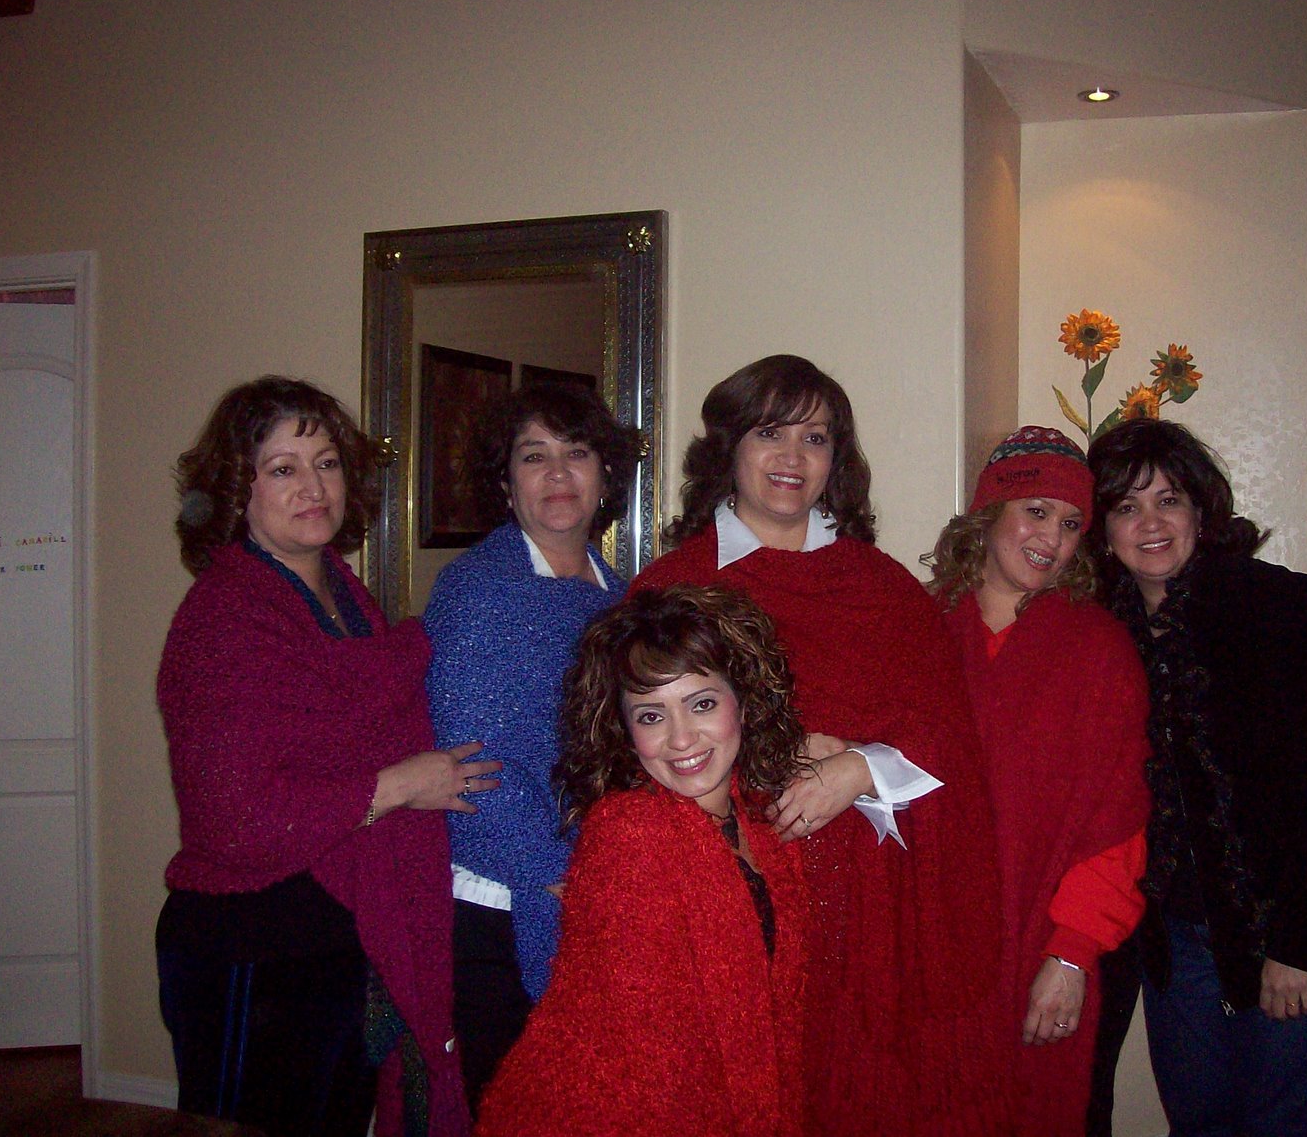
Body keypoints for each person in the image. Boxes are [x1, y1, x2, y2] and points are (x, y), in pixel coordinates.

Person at [632, 354, 1010, 1135]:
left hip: (874, 918)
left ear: (838, 459)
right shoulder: (673, 588)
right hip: (737, 901)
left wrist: (859, 768)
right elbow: (637, 750)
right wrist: (769, 752)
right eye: (770, 432)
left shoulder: (885, 589)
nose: (792, 457)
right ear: (730, 447)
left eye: (815, 438)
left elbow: (949, 739)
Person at [155, 376, 488, 1137]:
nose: (313, 487)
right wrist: (399, 784)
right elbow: (234, 820)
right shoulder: (225, 621)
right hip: (252, 946)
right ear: (237, 488)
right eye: (284, 468)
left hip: (338, 936)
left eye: (327, 463)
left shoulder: (343, 597)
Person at [1085, 417, 1307, 1137]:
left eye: (1168, 499)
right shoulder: (1105, 632)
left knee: (1282, 1124)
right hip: (1178, 946)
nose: (1150, 523)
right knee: (1198, 1124)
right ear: (1103, 530)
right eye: (1127, 506)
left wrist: (1297, 945)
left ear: (1201, 510)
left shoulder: (1278, 605)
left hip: (1293, 933)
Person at [476, 584, 811, 1136]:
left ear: (744, 701)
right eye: (652, 716)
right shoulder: (630, 835)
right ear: (625, 731)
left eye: (702, 704)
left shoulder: (765, 830)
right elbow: (658, 1067)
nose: (681, 738)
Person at [420, 381, 638, 1116]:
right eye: (533, 455)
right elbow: (470, 762)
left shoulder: (622, 596)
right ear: (506, 481)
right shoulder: (477, 592)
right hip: (503, 903)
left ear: (605, 476)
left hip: (598, 884)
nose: (557, 473)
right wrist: (558, 877)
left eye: (576, 453)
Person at [926, 426, 1151, 1137]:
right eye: (1036, 511)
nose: (1053, 538)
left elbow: (1117, 821)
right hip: (931, 946)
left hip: (1040, 941)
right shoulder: (923, 628)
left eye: (1072, 522)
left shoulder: (1098, 650)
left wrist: (1072, 953)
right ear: (989, 512)